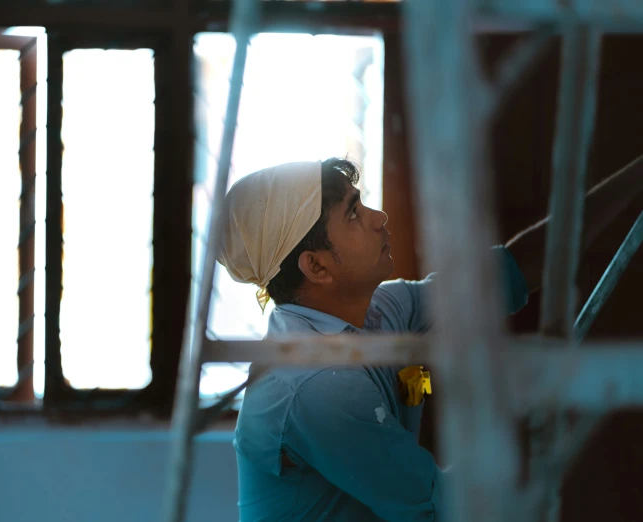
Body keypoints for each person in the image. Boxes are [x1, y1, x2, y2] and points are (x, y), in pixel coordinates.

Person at [217, 157, 643, 522]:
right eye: (352, 214)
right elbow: (443, 508)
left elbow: (504, 275)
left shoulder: (381, 310)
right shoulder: (313, 385)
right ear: (316, 267)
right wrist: (543, 401)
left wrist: (632, 181)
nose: (378, 218)